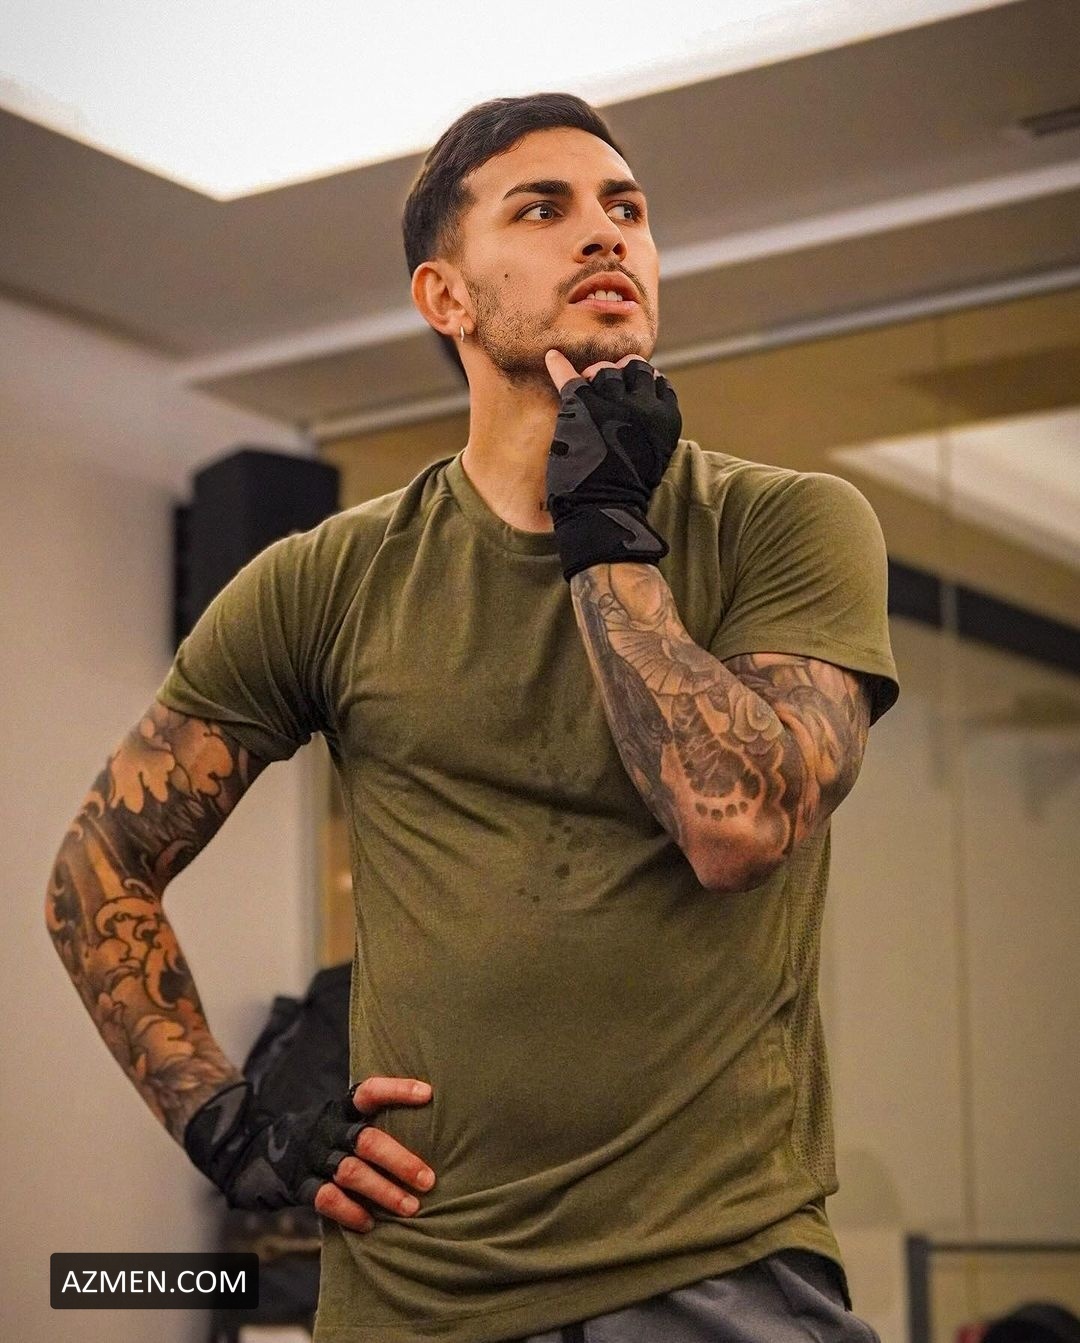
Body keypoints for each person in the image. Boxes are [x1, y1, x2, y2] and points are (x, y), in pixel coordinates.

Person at [46, 92, 899, 1343]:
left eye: (627, 209)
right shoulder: (327, 579)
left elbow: (737, 824)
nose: (604, 233)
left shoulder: (788, 524)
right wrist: (228, 1125)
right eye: (543, 209)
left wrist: (604, 523)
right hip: (410, 1293)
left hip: (712, 1269)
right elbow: (98, 866)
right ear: (444, 296)